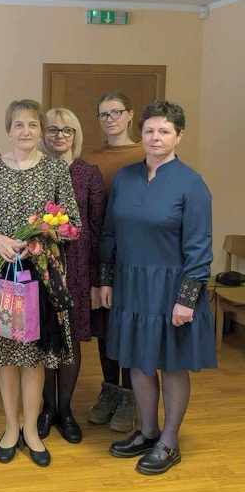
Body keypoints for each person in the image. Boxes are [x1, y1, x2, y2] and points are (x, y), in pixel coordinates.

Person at [101, 101, 214, 475]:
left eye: (164, 131)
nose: (155, 137)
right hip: (131, 283)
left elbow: (199, 247)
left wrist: (187, 300)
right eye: (149, 130)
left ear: (179, 136)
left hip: (171, 287)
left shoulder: (192, 184)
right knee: (138, 360)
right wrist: (106, 278)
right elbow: (110, 233)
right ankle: (148, 432)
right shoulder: (125, 178)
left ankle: (169, 441)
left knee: (171, 364)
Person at [0, 99, 80, 468]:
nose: (26, 131)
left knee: (34, 355)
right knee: (6, 354)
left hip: (40, 274)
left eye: (33, 125)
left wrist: (39, 238)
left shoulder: (55, 169)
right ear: (8, 129)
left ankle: (32, 430)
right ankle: (10, 427)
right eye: (18, 124)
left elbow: (72, 223)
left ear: (41, 131)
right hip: (1, 273)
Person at [38, 107, 105, 444]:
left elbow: (96, 229)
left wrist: (94, 279)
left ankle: (65, 410)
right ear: (43, 134)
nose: (60, 136)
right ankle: (46, 408)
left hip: (77, 268)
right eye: (53, 129)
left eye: (67, 130)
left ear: (76, 135)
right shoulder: (34, 171)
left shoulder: (88, 174)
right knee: (43, 339)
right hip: (40, 266)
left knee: (70, 340)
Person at [85, 91, 145, 433]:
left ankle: (129, 396)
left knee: (129, 325)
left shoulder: (145, 153)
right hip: (101, 254)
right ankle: (109, 390)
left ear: (130, 115)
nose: (110, 119)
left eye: (116, 112)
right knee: (105, 326)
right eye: (104, 114)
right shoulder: (91, 158)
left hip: (135, 255)